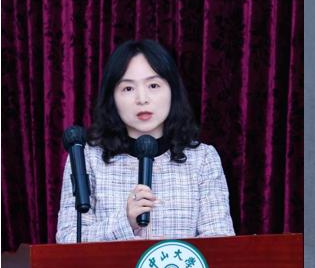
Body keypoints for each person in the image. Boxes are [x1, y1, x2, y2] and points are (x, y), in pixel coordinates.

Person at [55, 39, 235, 243]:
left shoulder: (202, 159)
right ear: (112, 97)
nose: (142, 99)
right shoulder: (87, 157)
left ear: (172, 90)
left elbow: (220, 241)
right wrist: (124, 221)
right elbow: (69, 238)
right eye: (128, 88)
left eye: (153, 85)